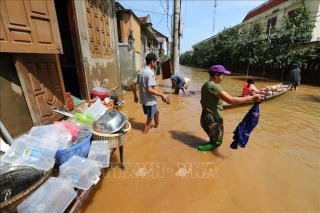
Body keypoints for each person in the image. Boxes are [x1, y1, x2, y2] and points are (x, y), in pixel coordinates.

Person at [196, 65, 264, 151]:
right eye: (222, 76)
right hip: (213, 119)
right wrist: (252, 98)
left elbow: (203, 102)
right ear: (216, 75)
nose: (223, 78)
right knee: (217, 143)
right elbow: (231, 100)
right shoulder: (214, 86)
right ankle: (196, 150)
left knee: (213, 138)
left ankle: (206, 147)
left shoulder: (206, 85)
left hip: (205, 117)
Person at [132, 53, 168, 134]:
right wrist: (162, 95)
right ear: (152, 61)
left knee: (156, 113)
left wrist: (135, 96)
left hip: (145, 101)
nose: (156, 64)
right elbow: (150, 89)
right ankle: (144, 136)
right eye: (155, 62)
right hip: (150, 102)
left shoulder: (141, 71)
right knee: (149, 122)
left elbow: (133, 84)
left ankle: (157, 127)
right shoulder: (150, 73)